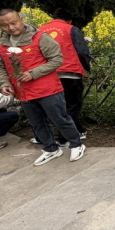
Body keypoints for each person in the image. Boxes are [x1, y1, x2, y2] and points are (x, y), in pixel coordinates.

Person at [0, 9, 86, 166]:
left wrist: (33, 73)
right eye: (4, 25)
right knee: (37, 122)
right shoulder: (2, 44)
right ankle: (50, 148)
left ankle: (76, 144)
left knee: (59, 118)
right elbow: (1, 66)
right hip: (24, 92)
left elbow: (57, 59)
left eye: (13, 23)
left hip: (48, 89)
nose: (11, 28)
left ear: (21, 19)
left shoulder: (40, 38)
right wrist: (5, 83)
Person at [37, 8, 91, 145]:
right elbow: (82, 52)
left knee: (53, 106)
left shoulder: (40, 30)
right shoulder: (71, 29)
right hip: (70, 73)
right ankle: (64, 138)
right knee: (72, 105)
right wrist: (86, 66)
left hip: (47, 74)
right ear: (70, 20)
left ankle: (75, 130)